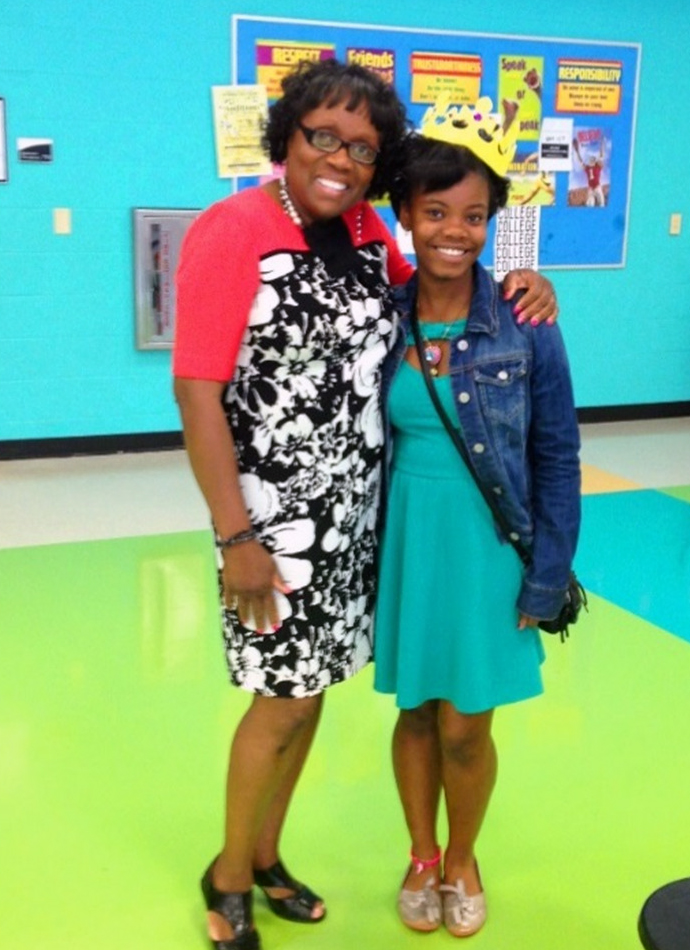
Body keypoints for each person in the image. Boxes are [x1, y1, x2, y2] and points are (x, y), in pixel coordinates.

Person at [173, 60, 559, 950]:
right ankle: (229, 872)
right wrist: (236, 535)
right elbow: (197, 392)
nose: (342, 158)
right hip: (268, 525)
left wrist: (532, 283)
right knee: (280, 703)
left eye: (363, 148)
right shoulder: (232, 231)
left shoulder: (357, 232)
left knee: (311, 701)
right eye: (323, 136)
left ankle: (268, 857)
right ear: (288, 136)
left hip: (357, 518)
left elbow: (438, 278)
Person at [373, 111, 581, 938]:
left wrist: (549, 573)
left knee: (466, 723)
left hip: (490, 546)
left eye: (473, 215)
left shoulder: (527, 322)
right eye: (435, 212)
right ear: (407, 215)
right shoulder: (378, 319)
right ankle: (421, 855)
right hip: (407, 541)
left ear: (491, 220)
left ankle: (464, 857)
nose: (454, 231)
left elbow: (559, 456)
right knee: (416, 709)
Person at [573, 134, 606, 207]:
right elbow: (580, 161)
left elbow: (601, 155)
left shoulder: (598, 167)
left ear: (595, 161)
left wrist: (602, 145)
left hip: (597, 187)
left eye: (593, 159)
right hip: (591, 188)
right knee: (590, 204)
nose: (591, 160)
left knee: (601, 203)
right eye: (590, 159)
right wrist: (577, 152)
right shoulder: (587, 168)